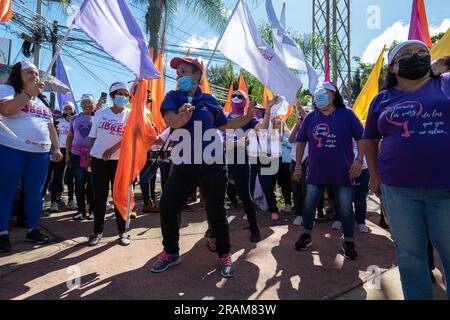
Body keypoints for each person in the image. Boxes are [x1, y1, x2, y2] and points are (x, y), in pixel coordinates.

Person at [150, 56, 254, 278]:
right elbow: (171, 122)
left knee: (216, 212)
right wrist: (181, 117)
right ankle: (171, 252)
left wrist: (248, 117)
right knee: (167, 207)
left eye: (184, 72)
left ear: (197, 76)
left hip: (212, 165)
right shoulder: (172, 97)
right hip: (183, 165)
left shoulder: (208, 100)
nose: (179, 76)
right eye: (177, 73)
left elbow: (226, 125)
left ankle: (225, 254)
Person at [364, 40, 450, 299]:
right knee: (410, 255)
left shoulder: (445, 83)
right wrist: (375, 178)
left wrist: (440, 65)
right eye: (407, 54)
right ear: (392, 68)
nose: (416, 57)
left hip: (445, 188)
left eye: (421, 52)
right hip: (398, 190)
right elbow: (370, 140)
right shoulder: (381, 99)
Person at [293, 82, 364, 260]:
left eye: (325, 92)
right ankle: (307, 235)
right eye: (318, 92)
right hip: (316, 172)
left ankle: (348, 241)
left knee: (346, 208)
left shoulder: (347, 114)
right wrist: (297, 167)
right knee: (309, 205)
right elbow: (300, 141)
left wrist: (358, 161)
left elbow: (361, 138)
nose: (320, 95)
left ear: (334, 95)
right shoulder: (311, 117)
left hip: (343, 172)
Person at [0, 61, 63, 253]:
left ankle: (33, 229)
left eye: (36, 73)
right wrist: (28, 94)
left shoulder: (42, 100)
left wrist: (57, 148)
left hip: (40, 154)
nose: (34, 75)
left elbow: (50, 127)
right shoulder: (7, 88)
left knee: (35, 194)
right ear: (18, 74)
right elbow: (6, 110)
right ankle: (2, 233)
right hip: (11, 148)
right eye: (29, 72)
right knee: (6, 193)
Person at [223, 90, 274, 242]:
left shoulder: (249, 119)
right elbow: (220, 141)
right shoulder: (224, 117)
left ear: (245, 101)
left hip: (241, 160)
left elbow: (263, 129)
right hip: (222, 161)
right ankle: (213, 231)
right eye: (234, 95)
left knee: (245, 195)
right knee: (217, 197)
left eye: (240, 96)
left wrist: (268, 110)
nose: (236, 98)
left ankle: (254, 229)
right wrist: (237, 143)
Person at [86, 82, 132, 247]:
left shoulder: (131, 114)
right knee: (99, 197)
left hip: (120, 161)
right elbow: (93, 136)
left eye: (125, 94)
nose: (123, 97)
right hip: (99, 160)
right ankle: (97, 232)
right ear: (112, 96)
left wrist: (112, 149)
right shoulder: (100, 114)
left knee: (120, 197)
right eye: (119, 93)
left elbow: (129, 137)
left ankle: (123, 232)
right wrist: (89, 155)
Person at [66, 94, 95, 220]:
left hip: (93, 156)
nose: (87, 105)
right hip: (76, 155)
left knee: (92, 184)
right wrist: (67, 155)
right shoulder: (75, 118)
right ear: (81, 104)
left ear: (93, 104)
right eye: (84, 102)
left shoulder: (98, 117)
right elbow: (70, 137)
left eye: (89, 102)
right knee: (79, 183)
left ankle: (92, 210)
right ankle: (81, 210)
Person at [49, 101, 77, 212]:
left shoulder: (76, 121)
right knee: (57, 176)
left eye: (70, 108)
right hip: (60, 150)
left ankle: (71, 200)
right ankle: (53, 202)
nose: (68, 110)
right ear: (63, 111)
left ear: (74, 110)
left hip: (73, 151)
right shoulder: (57, 121)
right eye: (66, 108)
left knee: (71, 178)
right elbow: (52, 134)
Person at [288, 103, 307, 226]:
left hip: (307, 161)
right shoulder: (296, 126)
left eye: (303, 115)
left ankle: (308, 215)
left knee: (306, 189)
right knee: (296, 188)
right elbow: (291, 139)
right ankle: (299, 214)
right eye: (299, 115)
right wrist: (296, 125)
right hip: (294, 161)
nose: (300, 116)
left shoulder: (311, 127)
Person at [272, 117, 293, 213]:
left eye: (279, 124)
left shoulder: (288, 133)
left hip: (285, 162)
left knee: (285, 184)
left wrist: (283, 139)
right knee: (272, 183)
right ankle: (272, 205)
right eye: (276, 124)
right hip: (274, 161)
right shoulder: (271, 134)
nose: (278, 125)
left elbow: (292, 145)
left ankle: (288, 204)